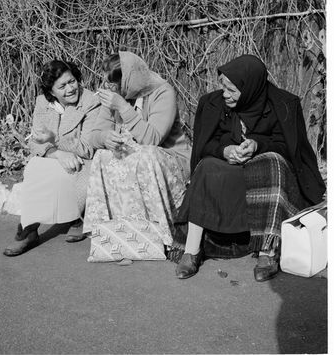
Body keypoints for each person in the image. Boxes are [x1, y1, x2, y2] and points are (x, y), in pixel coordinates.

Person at [171, 54, 326, 281]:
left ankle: (267, 251)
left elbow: (290, 149)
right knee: (207, 167)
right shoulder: (212, 104)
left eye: (232, 90)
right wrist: (225, 151)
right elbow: (205, 146)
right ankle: (191, 251)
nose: (225, 94)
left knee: (271, 162)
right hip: (228, 164)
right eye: (223, 87)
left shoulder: (283, 105)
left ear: (250, 87)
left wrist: (257, 145)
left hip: (266, 167)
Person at [82, 51, 192, 246]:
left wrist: (123, 107)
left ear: (129, 80)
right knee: (102, 156)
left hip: (168, 160)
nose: (111, 87)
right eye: (109, 83)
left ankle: (159, 233)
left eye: (116, 83)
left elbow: (152, 139)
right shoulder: (116, 95)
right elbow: (93, 136)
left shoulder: (162, 92)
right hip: (134, 157)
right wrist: (105, 137)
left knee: (146, 155)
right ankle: (115, 231)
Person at [3, 60, 101, 256]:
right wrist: (55, 153)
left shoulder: (90, 102)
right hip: (56, 157)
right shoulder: (42, 102)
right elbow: (34, 142)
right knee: (34, 167)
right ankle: (28, 229)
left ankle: (77, 216)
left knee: (60, 171)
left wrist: (55, 140)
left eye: (72, 81)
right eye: (62, 86)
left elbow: (88, 148)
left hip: (83, 160)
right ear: (51, 91)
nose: (70, 89)